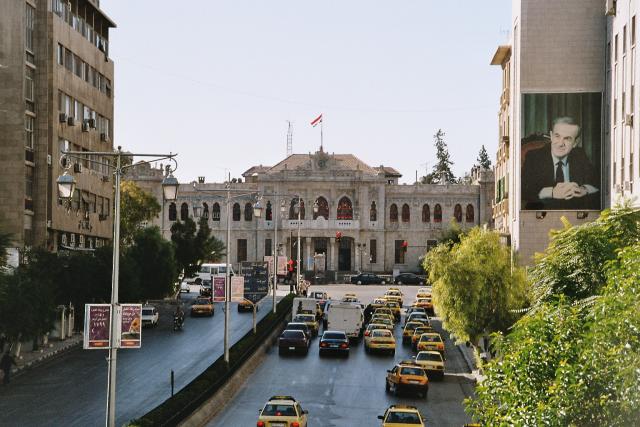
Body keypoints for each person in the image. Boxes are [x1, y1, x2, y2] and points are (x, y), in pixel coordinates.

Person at [522, 116, 599, 210]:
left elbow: (597, 183)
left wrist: (583, 190)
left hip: (574, 216)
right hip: (542, 216)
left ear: (575, 142)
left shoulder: (579, 155)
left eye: (567, 139)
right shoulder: (534, 157)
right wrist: (552, 192)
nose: (560, 143)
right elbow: (523, 190)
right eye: (557, 136)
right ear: (551, 135)